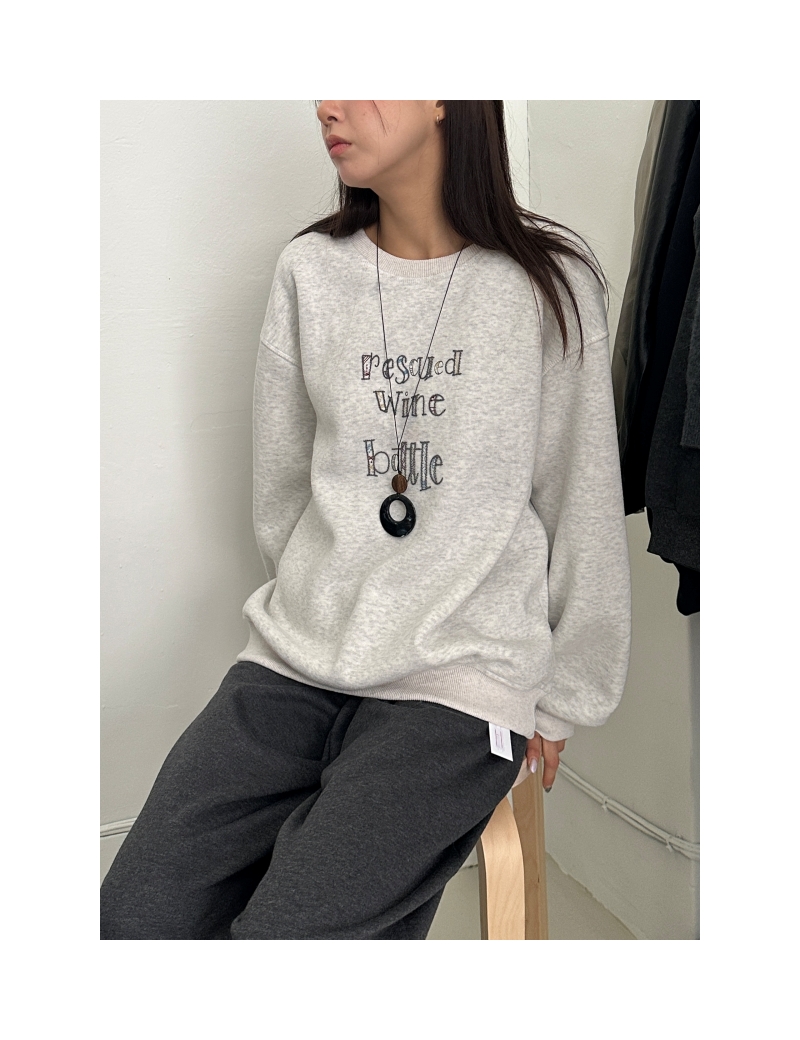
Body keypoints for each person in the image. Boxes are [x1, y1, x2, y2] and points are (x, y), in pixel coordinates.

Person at [100, 100, 632, 940]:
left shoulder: (546, 284)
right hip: (294, 664)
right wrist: (332, 601)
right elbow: (283, 491)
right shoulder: (310, 272)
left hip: (460, 680)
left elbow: (582, 503)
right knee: (129, 920)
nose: (329, 103)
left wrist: (568, 696)